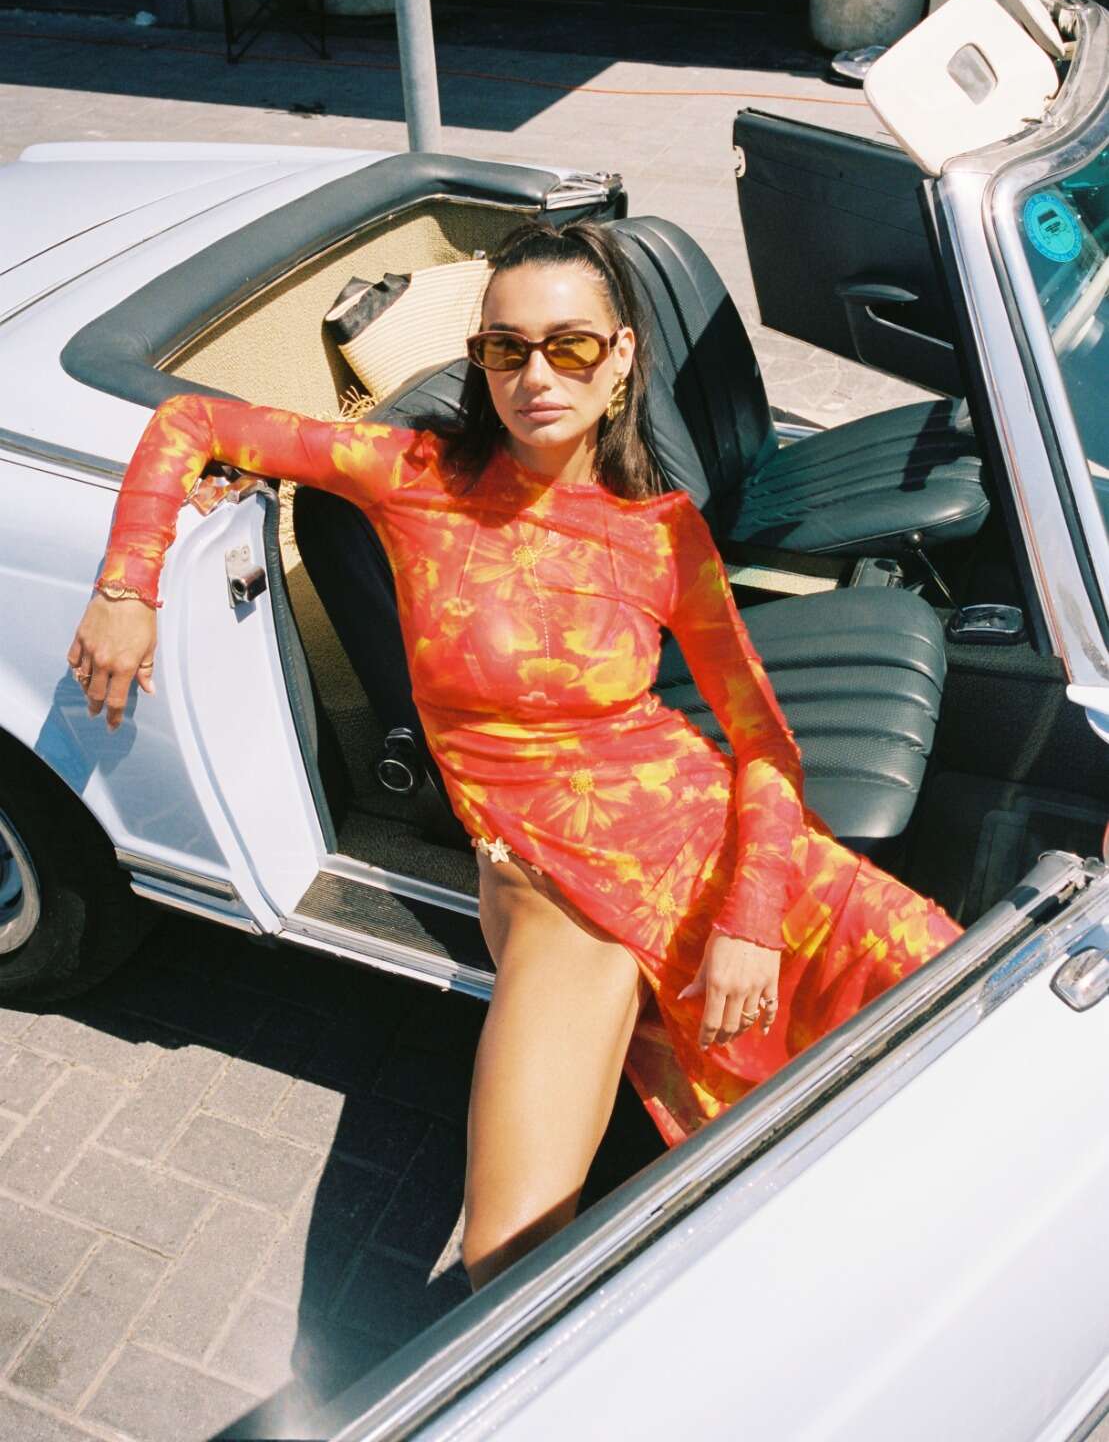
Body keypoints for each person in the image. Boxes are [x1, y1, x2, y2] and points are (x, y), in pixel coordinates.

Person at [66, 220, 964, 1292]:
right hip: (551, 884)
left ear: (620, 358)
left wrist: (751, 913)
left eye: (570, 346)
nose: (537, 376)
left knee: (957, 1006)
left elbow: (760, 734)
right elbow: (191, 419)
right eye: (504, 349)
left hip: (704, 829)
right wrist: (128, 584)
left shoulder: (660, 531)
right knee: (509, 1254)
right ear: (480, 360)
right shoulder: (413, 475)